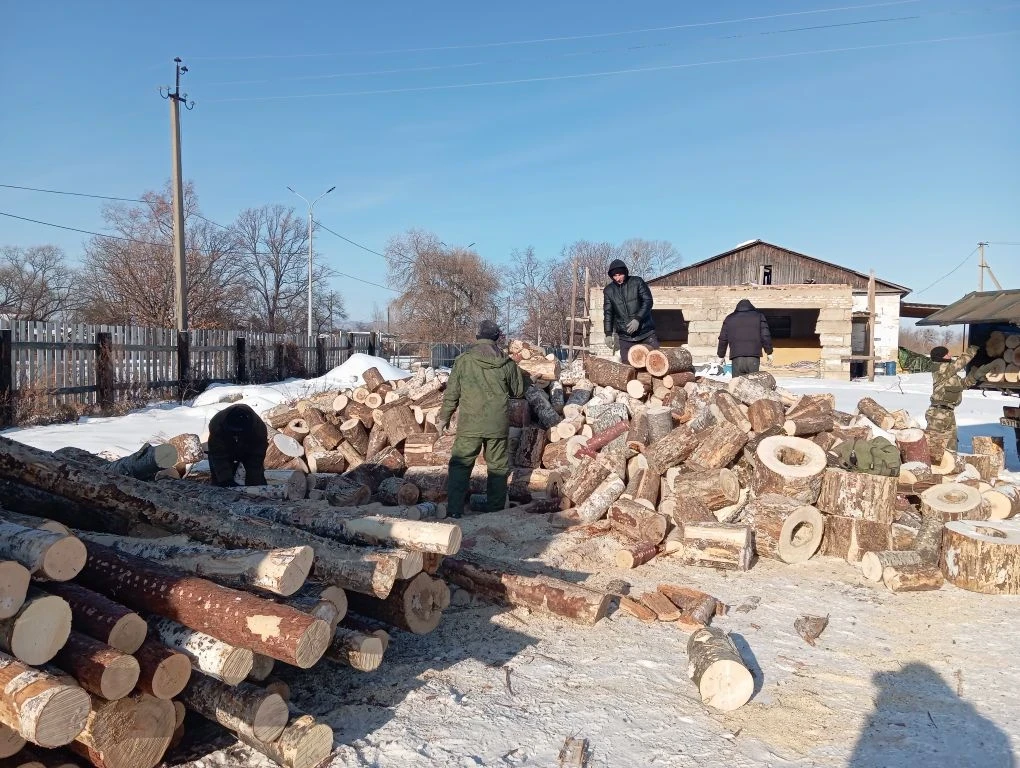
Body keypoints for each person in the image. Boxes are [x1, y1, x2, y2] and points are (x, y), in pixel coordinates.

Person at [436, 320, 527, 518]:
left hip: (470, 424)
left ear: (478, 336)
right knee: (498, 467)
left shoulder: (463, 361)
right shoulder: (507, 363)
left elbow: (452, 393)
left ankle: (455, 510)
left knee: (460, 465)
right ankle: (495, 511)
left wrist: (444, 418)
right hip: (497, 424)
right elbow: (518, 391)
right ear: (496, 338)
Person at [925, 345, 982, 452]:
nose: (950, 355)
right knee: (933, 447)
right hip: (938, 414)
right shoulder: (940, 368)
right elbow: (960, 363)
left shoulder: (950, 374)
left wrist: (975, 375)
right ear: (940, 356)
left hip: (949, 413)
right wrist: (973, 349)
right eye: (947, 354)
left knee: (951, 448)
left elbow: (962, 384)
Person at [603, 259, 659, 362]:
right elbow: (608, 313)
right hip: (625, 337)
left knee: (655, 362)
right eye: (615, 276)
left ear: (625, 272)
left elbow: (648, 301)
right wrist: (608, 334)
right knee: (628, 367)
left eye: (620, 274)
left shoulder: (637, 282)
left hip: (646, 334)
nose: (618, 278)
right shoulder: (609, 290)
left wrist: (638, 319)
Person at [207, 403, 268, 487]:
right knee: (219, 479)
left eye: (238, 433)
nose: (236, 435)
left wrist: (255, 481)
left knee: (256, 477)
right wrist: (225, 479)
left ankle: (259, 491)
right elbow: (218, 454)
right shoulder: (217, 425)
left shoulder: (258, 428)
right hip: (226, 446)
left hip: (249, 446)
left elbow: (257, 455)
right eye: (233, 432)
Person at [717, 299, 774, 376]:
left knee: (737, 382)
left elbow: (723, 339)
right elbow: (765, 336)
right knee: (753, 382)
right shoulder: (759, 317)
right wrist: (769, 352)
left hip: (736, 357)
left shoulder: (729, 318)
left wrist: (721, 355)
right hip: (753, 357)